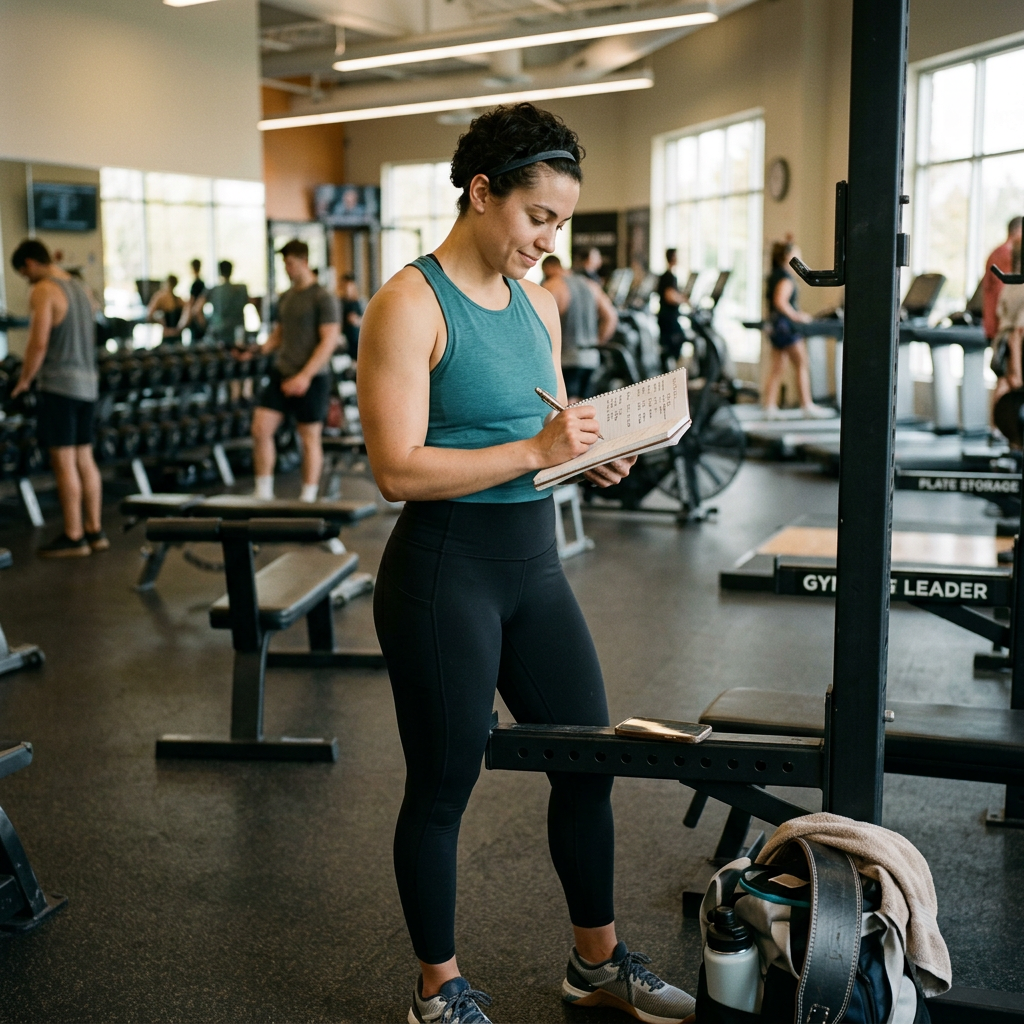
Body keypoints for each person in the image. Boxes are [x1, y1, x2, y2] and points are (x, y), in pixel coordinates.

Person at [357, 102, 695, 1024]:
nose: (550, 239)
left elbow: (540, 427)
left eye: (561, 222)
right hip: (443, 573)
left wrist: (590, 451)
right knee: (444, 783)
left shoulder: (540, 300)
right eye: (538, 216)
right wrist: (537, 453)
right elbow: (397, 470)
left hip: (532, 565)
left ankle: (596, 964)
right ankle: (438, 987)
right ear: (481, 193)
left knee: (587, 761)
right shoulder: (408, 304)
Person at [10, 239, 107, 557]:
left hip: (60, 386)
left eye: (24, 273)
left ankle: (74, 536)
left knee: (64, 462)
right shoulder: (81, 288)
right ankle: (95, 531)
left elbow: (38, 343)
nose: (27, 280)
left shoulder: (44, 290)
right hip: (88, 385)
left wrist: (24, 381)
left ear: (31, 264)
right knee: (85, 459)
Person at [251, 239, 340, 502]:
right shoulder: (286, 297)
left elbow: (329, 340)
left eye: (290, 263)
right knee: (260, 429)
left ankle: (308, 498)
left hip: (312, 377)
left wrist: (305, 376)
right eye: (284, 264)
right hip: (282, 371)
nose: (286, 269)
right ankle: (263, 492)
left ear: (304, 262)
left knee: (309, 437)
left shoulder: (322, 297)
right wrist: (259, 349)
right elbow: (280, 333)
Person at [761, 239, 830, 417]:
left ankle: (769, 407)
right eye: (796, 254)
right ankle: (806, 405)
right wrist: (798, 316)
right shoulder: (785, 277)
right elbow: (780, 302)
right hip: (786, 327)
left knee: (778, 366)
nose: (799, 258)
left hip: (776, 325)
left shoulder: (774, 274)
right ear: (787, 256)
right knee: (801, 362)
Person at [541, 254, 617, 401]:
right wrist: (597, 342)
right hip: (590, 358)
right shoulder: (591, 285)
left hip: (566, 360)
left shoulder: (552, 286)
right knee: (584, 408)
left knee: (568, 410)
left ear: (549, 268)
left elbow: (539, 327)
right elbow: (611, 317)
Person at [990, 242, 1024, 415]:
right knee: (1013, 380)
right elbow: (1017, 334)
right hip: (1013, 343)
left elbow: (999, 313)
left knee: (1003, 382)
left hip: (1001, 339)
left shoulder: (1009, 284)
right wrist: (1017, 370)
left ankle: (996, 430)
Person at [983, 216, 1023, 344]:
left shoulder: (996, 252)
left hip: (995, 323)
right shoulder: (1007, 254)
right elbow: (1003, 291)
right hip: (1001, 325)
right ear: (1018, 231)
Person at [206, 260, 249, 346]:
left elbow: (197, 309)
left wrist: (207, 325)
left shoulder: (213, 290)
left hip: (218, 333)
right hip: (237, 334)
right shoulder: (241, 289)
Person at [657, 249, 686, 372]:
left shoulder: (667, 276)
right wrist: (684, 300)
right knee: (677, 340)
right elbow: (669, 296)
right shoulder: (669, 276)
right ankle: (670, 372)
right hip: (668, 318)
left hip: (667, 317)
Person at [146, 274, 185, 339]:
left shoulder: (160, 298)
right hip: (172, 334)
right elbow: (149, 315)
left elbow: (149, 314)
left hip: (172, 334)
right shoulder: (179, 300)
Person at [340, 273, 364, 361]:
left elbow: (365, 321)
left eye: (349, 286)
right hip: (345, 341)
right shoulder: (341, 302)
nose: (347, 289)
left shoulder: (359, 302)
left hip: (357, 339)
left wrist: (356, 320)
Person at [187, 258, 207, 340]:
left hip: (197, 318)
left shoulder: (196, 284)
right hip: (199, 316)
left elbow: (193, 303)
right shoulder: (201, 283)